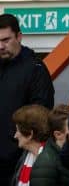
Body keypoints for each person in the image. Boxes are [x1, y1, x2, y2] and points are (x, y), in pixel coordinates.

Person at [0, 13, 54, 185]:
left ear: (19, 37)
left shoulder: (35, 69)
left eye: (6, 40)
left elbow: (41, 116)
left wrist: (16, 144)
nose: (1, 46)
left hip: (17, 158)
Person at [11, 104, 69, 186]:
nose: (15, 135)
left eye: (18, 130)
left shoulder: (48, 162)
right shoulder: (24, 157)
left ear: (30, 134)